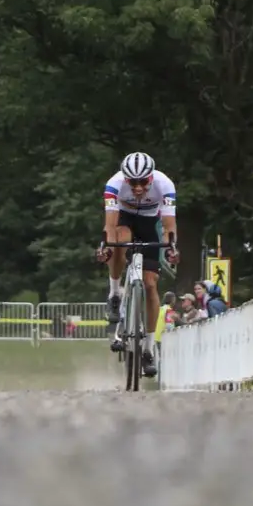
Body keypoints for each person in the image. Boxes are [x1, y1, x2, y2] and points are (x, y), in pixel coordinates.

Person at [96, 152, 180, 378]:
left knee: (151, 285)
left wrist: (172, 248)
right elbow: (110, 223)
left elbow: (169, 225)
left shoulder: (165, 185)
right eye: (132, 182)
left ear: (151, 178)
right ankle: (114, 293)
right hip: (124, 219)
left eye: (143, 182)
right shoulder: (114, 185)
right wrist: (105, 246)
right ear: (125, 179)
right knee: (118, 241)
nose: (139, 187)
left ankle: (148, 349)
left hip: (150, 223)